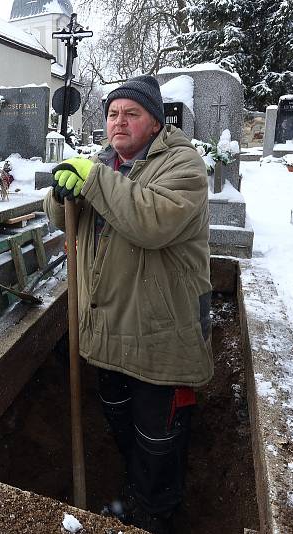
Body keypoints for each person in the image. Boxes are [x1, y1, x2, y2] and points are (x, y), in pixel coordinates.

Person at [43, 75, 213, 533]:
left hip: (160, 334)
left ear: (155, 123)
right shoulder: (105, 164)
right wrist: (60, 196)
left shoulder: (183, 165)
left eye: (131, 113)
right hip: (107, 329)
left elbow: (152, 222)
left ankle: (155, 511)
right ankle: (133, 492)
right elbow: (67, 220)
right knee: (120, 419)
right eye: (113, 113)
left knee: (158, 437)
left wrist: (94, 180)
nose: (118, 121)